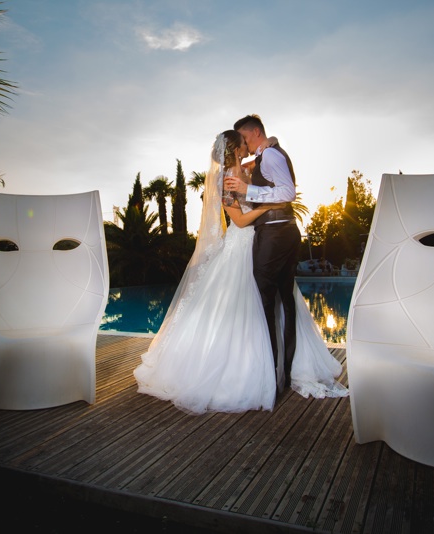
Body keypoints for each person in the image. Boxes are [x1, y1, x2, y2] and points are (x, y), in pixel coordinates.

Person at [133, 130, 347, 415]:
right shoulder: (225, 181)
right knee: (245, 308)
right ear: (236, 148)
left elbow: (264, 156)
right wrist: (268, 206)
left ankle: (283, 363)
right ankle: (247, 371)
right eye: (244, 142)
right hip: (242, 243)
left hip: (262, 244)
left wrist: (272, 143)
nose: (249, 145)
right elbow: (240, 219)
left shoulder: (247, 169)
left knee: (275, 302)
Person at [224, 114, 300, 390]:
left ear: (254, 132)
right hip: (268, 233)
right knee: (279, 303)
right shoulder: (261, 157)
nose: (243, 144)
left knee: (266, 304)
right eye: (239, 143)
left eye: (244, 138)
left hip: (275, 233)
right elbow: (243, 165)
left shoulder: (269, 157)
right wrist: (240, 168)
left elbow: (288, 192)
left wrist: (249, 189)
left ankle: (275, 374)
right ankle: (281, 372)